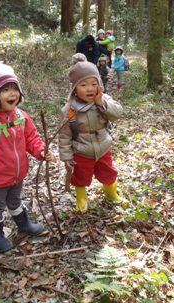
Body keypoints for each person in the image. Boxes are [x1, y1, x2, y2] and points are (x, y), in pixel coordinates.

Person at [0, 61, 53, 253]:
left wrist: (41, 151)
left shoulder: (21, 117)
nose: (12, 94)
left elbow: (32, 137)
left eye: (14, 88)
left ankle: (24, 224)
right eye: (5, 89)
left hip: (16, 175)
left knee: (15, 201)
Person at [58, 53, 126, 213]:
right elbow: (64, 135)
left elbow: (118, 113)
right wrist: (66, 157)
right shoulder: (70, 109)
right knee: (81, 177)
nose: (90, 88)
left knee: (108, 172)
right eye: (83, 85)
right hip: (82, 151)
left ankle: (111, 193)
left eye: (94, 83)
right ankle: (81, 199)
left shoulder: (104, 99)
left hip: (103, 147)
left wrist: (101, 103)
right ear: (74, 88)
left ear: (100, 85)